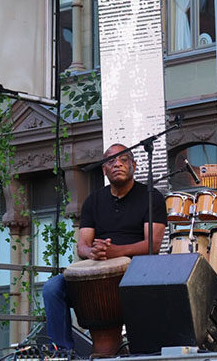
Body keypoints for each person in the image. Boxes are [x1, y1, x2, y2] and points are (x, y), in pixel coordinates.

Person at [42, 143, 167, 350]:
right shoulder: (93, 201)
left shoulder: (151, 197)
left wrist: (115, 252)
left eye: (123, 159)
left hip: (134, 271)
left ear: (133, 165)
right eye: (111, 161)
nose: (117, 164)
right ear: (104, 169)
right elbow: (82, 246)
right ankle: (62, 352)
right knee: (52, 288)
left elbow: (152, 245)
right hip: (98, 269)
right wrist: (92, 252)